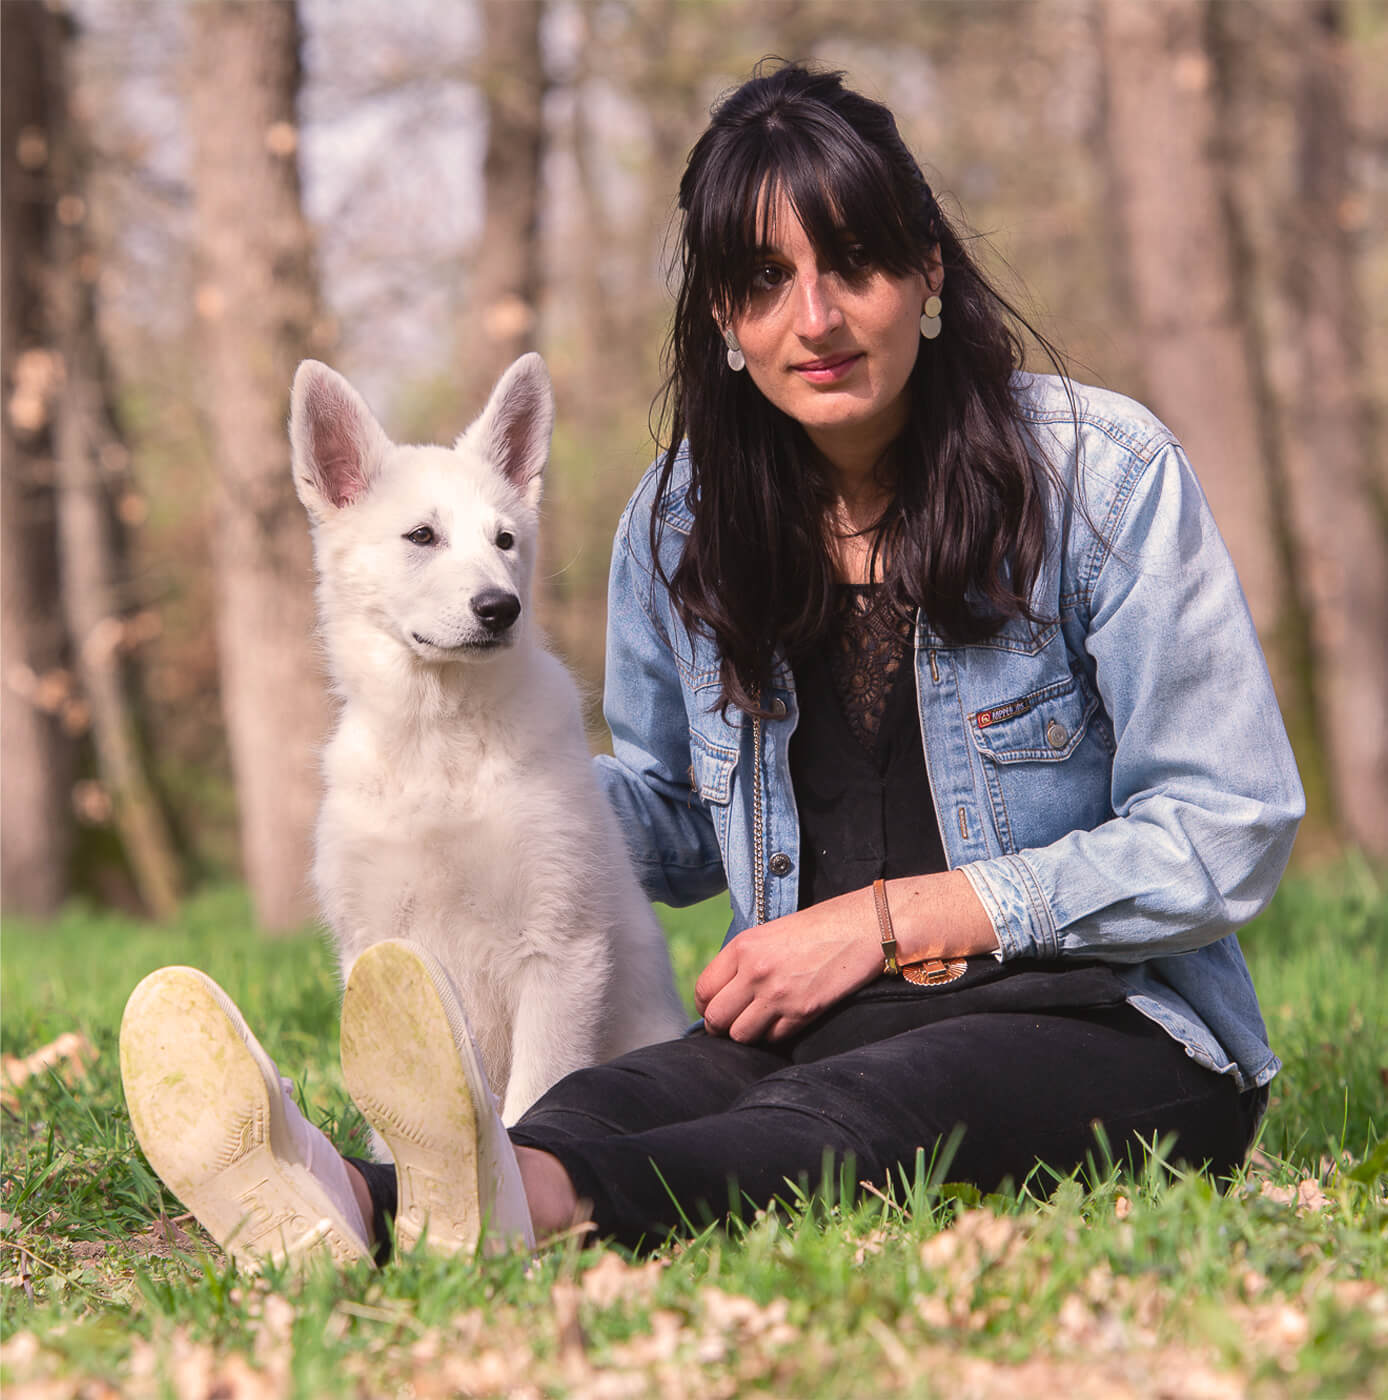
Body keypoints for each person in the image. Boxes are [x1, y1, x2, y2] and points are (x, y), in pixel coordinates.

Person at [120, 61, 1303, 1270]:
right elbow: (678, 817)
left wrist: (887, 920)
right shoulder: (684, 518)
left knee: (855, 1111)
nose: (817, 318)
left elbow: (1229, 824)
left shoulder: (1100, 477)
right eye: (763, 282)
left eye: (854, 263)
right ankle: (358, 1199)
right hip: (800, 1024)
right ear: (725, 322)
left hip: (1104, 1023)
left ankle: (476, 1204)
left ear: (929, 271)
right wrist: (462, 782)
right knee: (598, 1103)